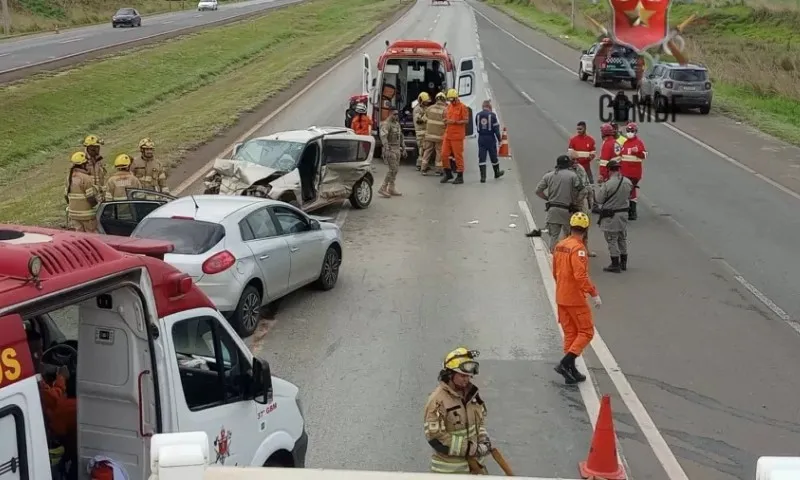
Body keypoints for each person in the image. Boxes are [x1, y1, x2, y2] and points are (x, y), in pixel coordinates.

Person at [423, 347, 491, 475]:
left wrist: (483, 440)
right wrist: (470, 448)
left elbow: (479, 423)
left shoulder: (472, 396)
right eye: (462, 375)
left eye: (468, 376)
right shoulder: (437, 401)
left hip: (475, 470)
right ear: (450, 374)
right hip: (448, 472)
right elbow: (436, 438)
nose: (466, 379)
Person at [552, 212, 602, 385]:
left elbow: (555, 271)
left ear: (570, 226)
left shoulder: (560, 245)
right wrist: (593, 293)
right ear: (586, 230)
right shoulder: (578, 249)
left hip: (561, 296)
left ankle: (570, 369)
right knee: (586, 332)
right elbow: (580, 276)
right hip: (575, 298)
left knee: (571, 333)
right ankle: (565, 363)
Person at [27, 329, 78, 480]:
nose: (40, 355)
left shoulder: (33, 372)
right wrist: (61, 378)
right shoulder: (34, 381)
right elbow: (54, 399)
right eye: (36, 353)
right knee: (77, 411)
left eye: (41, 350)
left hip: (42, 414)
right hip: (46, 422)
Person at [535, 155, 583, 252]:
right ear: (568, 164)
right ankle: (566, 258)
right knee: (569, 237)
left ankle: (553, 259)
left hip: (553, 211)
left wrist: (548, 199)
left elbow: (538, 191)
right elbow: (582, 190)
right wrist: (576, 202)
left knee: (553, 237)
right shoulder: (573, 176)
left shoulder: (549, 176)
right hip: (568, 210)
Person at [595, 160, 632, 273]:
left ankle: (615, 263)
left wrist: (600, 185)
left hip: (611, 215)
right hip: (623, 214)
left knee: (612, 239)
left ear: (609, 170)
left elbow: (599, 199)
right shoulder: (627, 181)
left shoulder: (608, 184)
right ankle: (624, 262)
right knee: (622, 237)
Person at [569, 156, 596, 257]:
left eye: (577, 159)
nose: (576, 162)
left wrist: (590, 200)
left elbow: (587, 184)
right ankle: (571, 248)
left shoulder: (580, 168)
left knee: (584, 225)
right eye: (573, 160)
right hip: (570, 201)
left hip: (582, 200)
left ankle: (585, 248)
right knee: (569, 227)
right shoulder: (566, 171)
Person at [619, 122, 647, 220]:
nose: (630, 132)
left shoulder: (639, 143)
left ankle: (632, 211)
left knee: (630, 191)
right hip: (624, 172)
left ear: (635, 132)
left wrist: (638, 152)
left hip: (634, 173)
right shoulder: (625, 143)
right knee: (628, 191)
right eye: (628, 131)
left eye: (632, 131)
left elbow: (644, 155)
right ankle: (628, 210)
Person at [440, 88, 469, 185]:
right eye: (449, 100)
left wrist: (455, 122)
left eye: (452, 99)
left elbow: (466, 120)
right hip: (448, 134)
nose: (451, 101)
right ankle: (448, 173)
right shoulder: (449, 107)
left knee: (458, 156)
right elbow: (446, 117)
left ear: (456, 98)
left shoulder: (463, 107)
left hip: (457, 136)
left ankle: (460, 176)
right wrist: (445, 120)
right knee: (444, 154)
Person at [65, 152, 99, 233]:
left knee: (80, 237)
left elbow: (66, 196)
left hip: (73, 214)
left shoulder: (69, 177)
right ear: (83, 165)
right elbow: (90, 198)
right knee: (91, 237)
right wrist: (97, 206)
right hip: (87, 215)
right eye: (86, 163)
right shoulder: (86, 178)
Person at [474, 100, 505, 183]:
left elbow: (477, 125)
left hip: (481, 138)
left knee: (482, 157)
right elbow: (496, 130)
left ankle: (483, 177)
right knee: (493, 156)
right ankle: (496, 173)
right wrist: (499, 140)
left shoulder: (477, 115)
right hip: (490, 138)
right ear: (489, 107)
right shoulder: (493, 115)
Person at [378, 107, 406, 198]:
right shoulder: (386, 124)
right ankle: (383, 187)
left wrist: (404, 148)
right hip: (390, 149)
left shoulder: (397, 124)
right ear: (390, 114)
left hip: (397, 149)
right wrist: (386, 147)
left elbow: (401, 137)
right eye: (394, 114)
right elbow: (383, 137)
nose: (396, 116)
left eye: (397, 114)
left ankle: (391, 187)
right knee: (392, 169)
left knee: (396, 170)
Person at [421, 92, 447, 175]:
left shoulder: (429, 108)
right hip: (439, 136)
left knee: (427, 151)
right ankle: (438, 170)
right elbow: (447, 122)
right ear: (444, 100)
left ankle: (423, 169)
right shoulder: (446, 110)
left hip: (429, 135)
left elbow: (424, 119)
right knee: (439, 152)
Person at [83, 135, 106, 202]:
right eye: (97, 147)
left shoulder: (99, 160)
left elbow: (102, 177)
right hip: (88, 198)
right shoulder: (82, 162)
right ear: (90, 148)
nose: (99, 149)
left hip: (99, 197)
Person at [414, 92, 430, 170]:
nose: (427, 103)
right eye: (425, 101)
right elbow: (418, 120)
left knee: (425, 148)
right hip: (420, 131)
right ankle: (419, 165)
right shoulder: (417, 109)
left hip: (425, 131)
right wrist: (426, 117)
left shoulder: (425, 108)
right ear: (421, 100)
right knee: (421, 148)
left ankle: (424, 164)